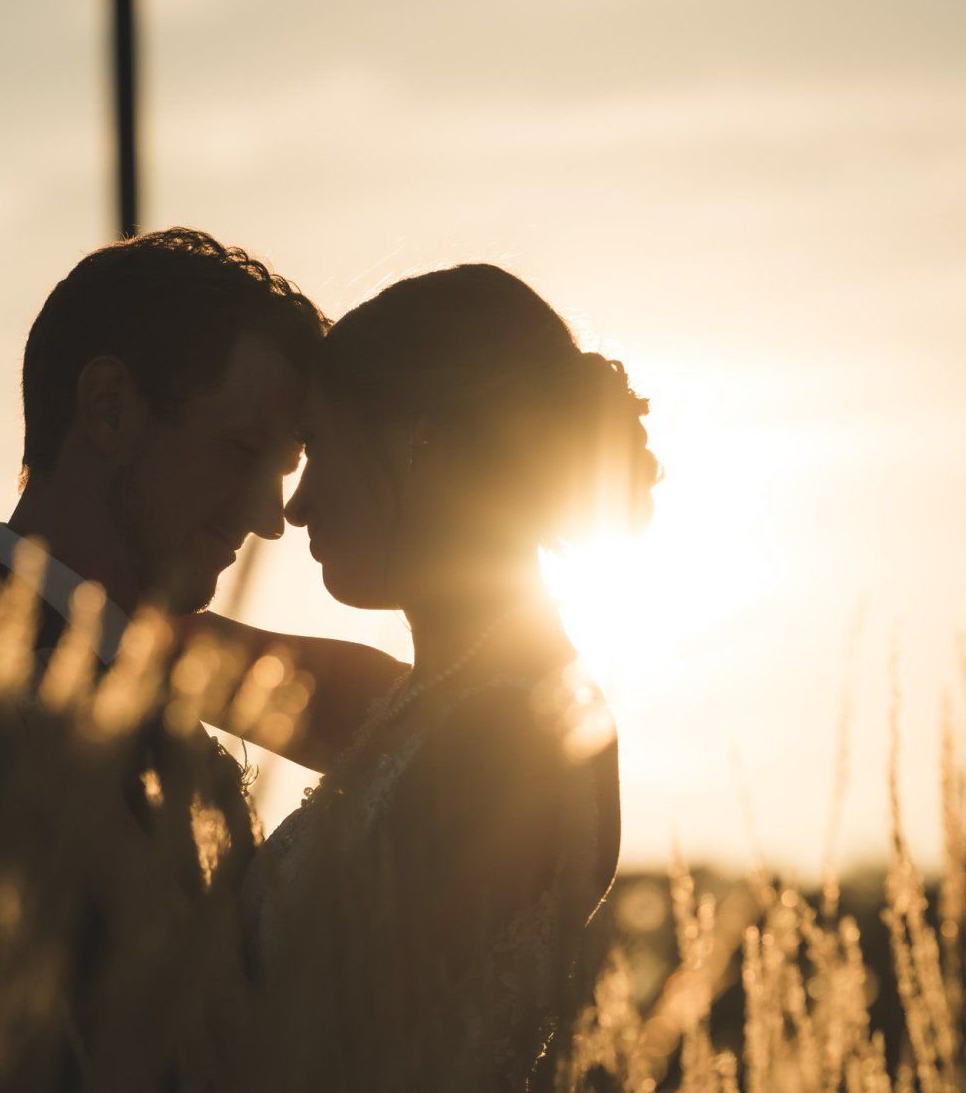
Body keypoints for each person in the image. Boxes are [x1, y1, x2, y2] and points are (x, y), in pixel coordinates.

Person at [0, 228, 397, 1089]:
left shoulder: (135, 663)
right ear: (110, 405)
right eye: (241, 453)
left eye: (288, 467)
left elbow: (425, 719)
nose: (270, 517)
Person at [230, 264, 652, 1092]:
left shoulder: (509, 733)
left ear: (421, 442)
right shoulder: (427, 699)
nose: (296, 506)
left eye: (319, 448)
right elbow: (155, 649)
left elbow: (321, 1046)